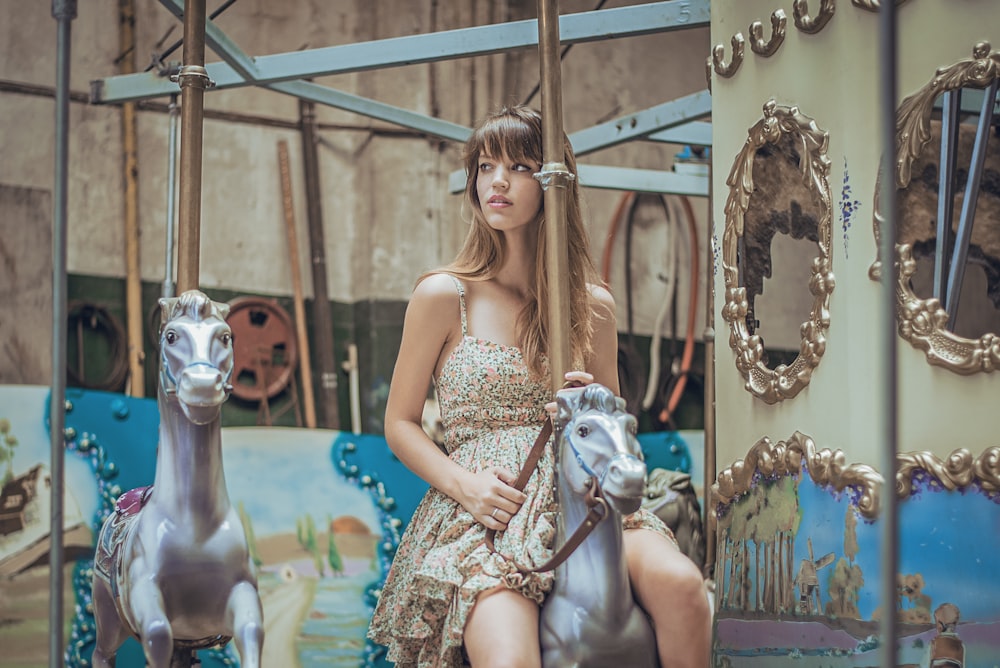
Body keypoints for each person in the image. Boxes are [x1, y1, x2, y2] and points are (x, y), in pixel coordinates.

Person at [367, 105, 711, 667]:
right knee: (509, 656)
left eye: (519, 166)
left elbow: (614, 429)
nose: (497, 181)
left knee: (683, 587)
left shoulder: (592, 307)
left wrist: (590, 404)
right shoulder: (443, 295)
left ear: (553, 183)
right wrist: (467, 486)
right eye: (485, 166)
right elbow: (399, 423)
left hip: (589, 505)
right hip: (487, 515)